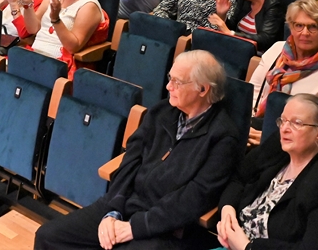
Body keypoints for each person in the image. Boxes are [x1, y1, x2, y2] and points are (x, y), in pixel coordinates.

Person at [33, 50, 241, 250]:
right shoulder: (161, 112)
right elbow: (130, 161)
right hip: (125, 203)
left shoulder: (223, 137)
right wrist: (113, 210)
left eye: (177, 82)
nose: (168, 86)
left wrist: (135, 227)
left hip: (165, 227)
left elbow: (193, 199)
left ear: (203, 90)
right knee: (49, 237)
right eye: (170, 78)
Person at [216, 93, 318, 250]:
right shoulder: (278, 148)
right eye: (283, 121)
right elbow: (238, 177)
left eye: (296, 123)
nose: (284, 129)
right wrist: (227, 210)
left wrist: (247, 247)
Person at [247, 0, 318, 131]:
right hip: (256, 124)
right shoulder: (277, 49)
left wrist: (271, 137)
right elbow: (254, 92)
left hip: (296, 138)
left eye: (313, 26)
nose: (305, 33)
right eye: (299, 25)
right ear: (291, 27)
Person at [10, 0, 107, 74]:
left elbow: (73, 46)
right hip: (35, 54)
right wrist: (28, 3)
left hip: (57, 63)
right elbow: (33, 29)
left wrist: (56, 20)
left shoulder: (89, 5)